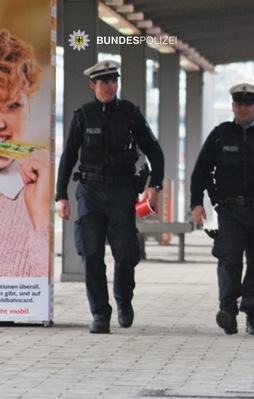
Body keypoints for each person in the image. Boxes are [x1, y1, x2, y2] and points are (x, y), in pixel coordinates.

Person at [55, 60, 165, 334]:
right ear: (93, 85)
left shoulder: (129, 114)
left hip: (122, 192)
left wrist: (155, 186)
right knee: (91, 253)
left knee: (126, 254)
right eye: (103, 82)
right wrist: (60, 196)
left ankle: (123, 300)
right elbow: (68, 158)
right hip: (90, 192)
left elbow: (155, 152)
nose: (109, 86)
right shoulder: (83, 115)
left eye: (113, 81)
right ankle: (100, 314)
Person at [190, 82, 254, 336]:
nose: (243, 108)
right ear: (233, 106)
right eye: (239, 104)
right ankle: (227, 310)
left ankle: (253, 314)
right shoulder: (220, 135)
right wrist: (196, 204)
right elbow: (200, 172)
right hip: (230, 210)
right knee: (230, 258)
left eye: (248, 104)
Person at [0, 29, 50, 277]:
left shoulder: (35, 184)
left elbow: (38, 287)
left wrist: (40, 212)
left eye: (12, 106)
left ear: (30, 106)